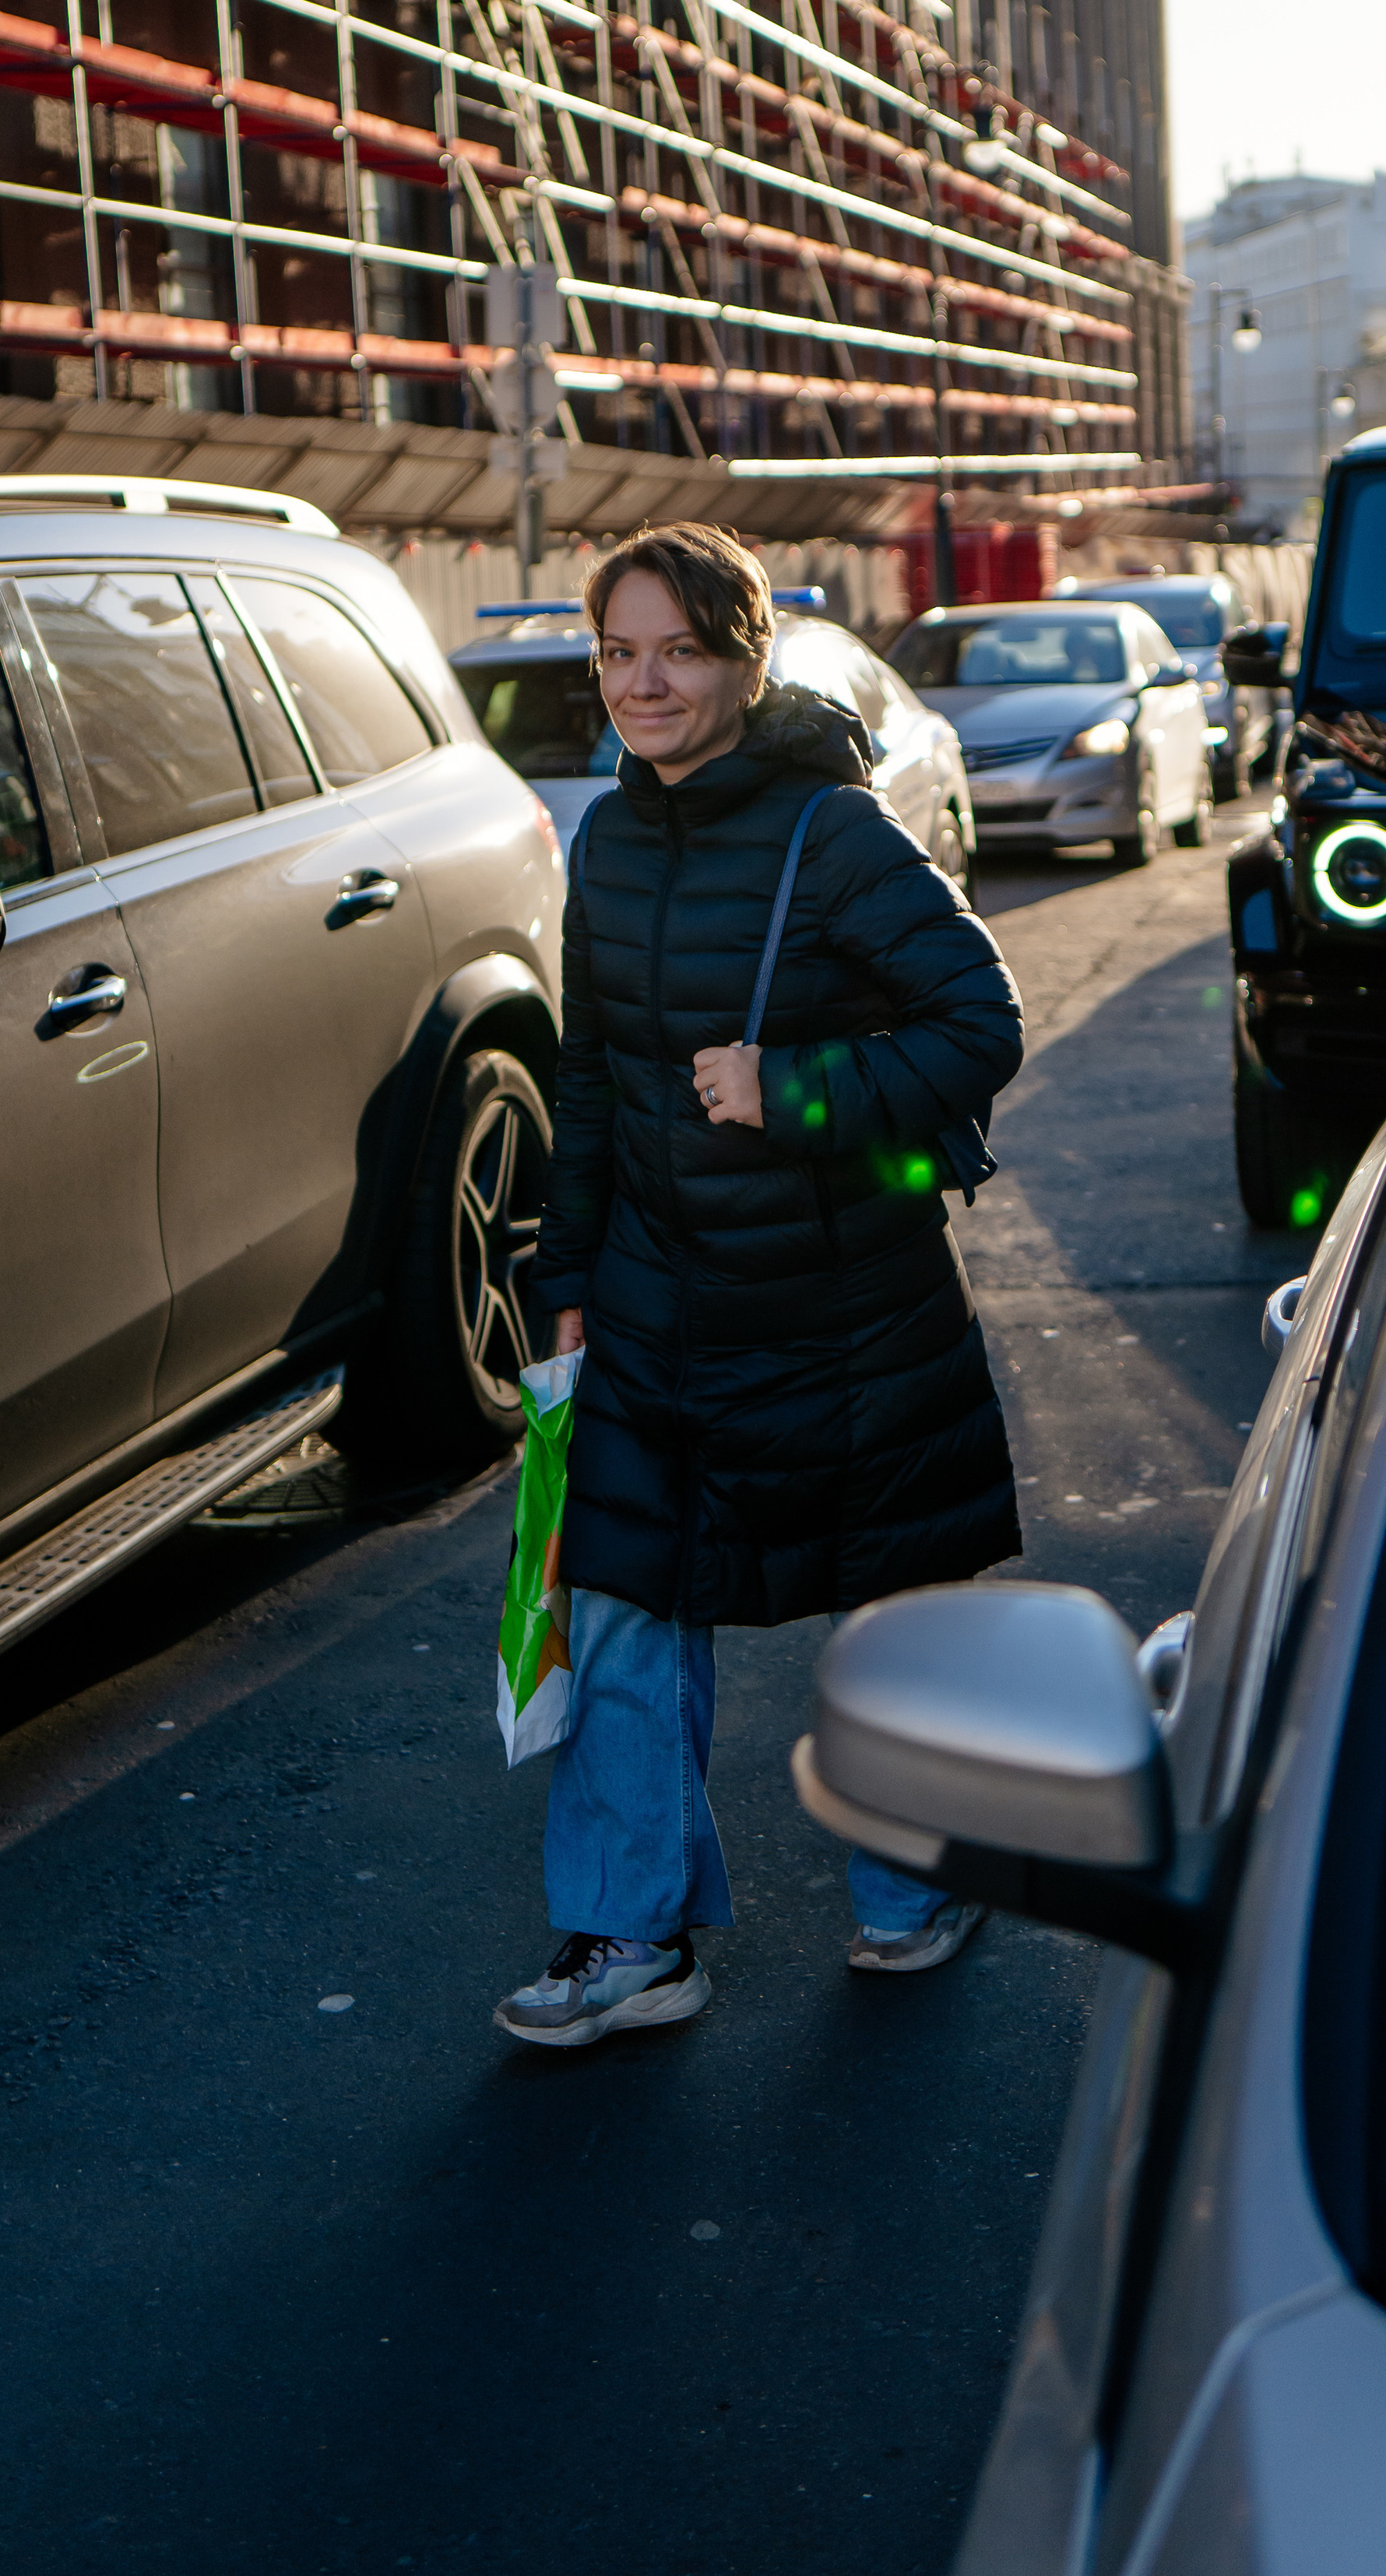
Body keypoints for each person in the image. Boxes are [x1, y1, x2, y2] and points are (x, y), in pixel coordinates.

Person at [494, 524, 1026, 2050]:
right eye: (618, 653)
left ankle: (912, 1888)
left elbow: (976, 1026)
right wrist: (568, 1273)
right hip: (655, 1304)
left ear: (744, 661)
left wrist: (789, 1089)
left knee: (880, 1610)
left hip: (841, 1310)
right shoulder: (606, 840)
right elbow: (589, 1079)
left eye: (678, 651)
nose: (643, 683)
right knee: (620, 1604)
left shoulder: (832, 834)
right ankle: (632, 1938)